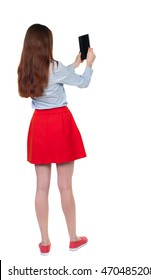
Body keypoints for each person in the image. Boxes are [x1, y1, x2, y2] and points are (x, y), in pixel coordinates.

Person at [17, 23, 96, 255]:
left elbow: (56, 77)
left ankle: (44, 243)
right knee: (65, 186)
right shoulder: (56, 67)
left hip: (40, 125)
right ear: (47, 44)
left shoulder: (26, 69)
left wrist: (74, 64)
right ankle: (73, 238)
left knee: (41, 187)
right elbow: (83, 82)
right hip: (60, 124)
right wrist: (88, 65)